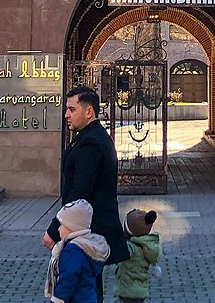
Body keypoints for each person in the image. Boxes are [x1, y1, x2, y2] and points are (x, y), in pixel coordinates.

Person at [43, 85, 129, 303]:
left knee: (84, 289)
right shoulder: (89, 136)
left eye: (72, 109)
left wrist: (54, 229)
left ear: (88, 112)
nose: (66, 114)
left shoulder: (91, 141)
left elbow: (80, 192)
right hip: (89, 230)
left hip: (89, 230)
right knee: (88, 286)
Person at [44, 199, 110, 303]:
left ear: (72, 228)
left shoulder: (72, 250)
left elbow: (68, 279)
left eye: (62, 225)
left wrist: (57, 300)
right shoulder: (87, 246)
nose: (58, 228)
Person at [114, 209, 161, 303]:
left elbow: (118, 252)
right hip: (140, 291)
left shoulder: (130, 247)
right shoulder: (146, 246)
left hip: (127, 291)